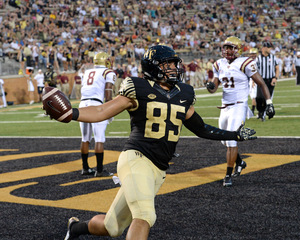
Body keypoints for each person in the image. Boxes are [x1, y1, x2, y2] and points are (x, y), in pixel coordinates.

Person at [43, 45, 257, 240]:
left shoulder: (184, 93)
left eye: (174, 64)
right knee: (145, 215)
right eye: (168, 64)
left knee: (112, 227)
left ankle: (75, 228)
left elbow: (201, 128)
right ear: (153, 67)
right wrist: (72, 113)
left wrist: (234, 135)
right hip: (136, 159)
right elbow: (101, 110)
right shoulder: (138, 87)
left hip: (158, 169)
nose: (174, 68)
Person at [206, 37, 275, 187]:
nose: (227, 50)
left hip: (239, 105)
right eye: (226, 47)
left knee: (231, 140)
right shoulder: (218, 64)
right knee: (224, 140)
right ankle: (240, 162)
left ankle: (228, 175)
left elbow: (261, 83)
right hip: (225, 106)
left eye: (231, 47)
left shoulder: (245, 63)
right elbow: (214, 89)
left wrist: (269, 103)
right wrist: (209, 86)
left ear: (238, 49)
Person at [79, 51, 116, 177]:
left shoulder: (87, 72)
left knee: (85, 138)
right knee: (99, 138)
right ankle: (99, 170)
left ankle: (85, 168)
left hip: (82, 104)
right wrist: (110, 110)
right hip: (97, 105)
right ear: (105, 61)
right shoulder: (108, 72)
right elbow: (108, 92)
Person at [256, 41, 279, 121]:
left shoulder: (273, 57)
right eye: (269, 47)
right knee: (259, 98)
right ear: (264, 48)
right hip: (261, 81)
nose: (270, 49)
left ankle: (263, 114)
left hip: (270, 80)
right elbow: (255, 70)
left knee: (267, 98)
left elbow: (277, 68)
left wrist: (275, 78)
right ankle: (260, 111)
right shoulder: (258, 58)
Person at [248, 48, 258, 115]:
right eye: (251, 54)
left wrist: (254, 81)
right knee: (253, 97)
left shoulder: (258, 61)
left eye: (254, 54)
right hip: (251, 80)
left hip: (256, 80)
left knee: (255, 96)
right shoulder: (249, 61)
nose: (252, 55)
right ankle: (254, 110)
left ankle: (254, 110)